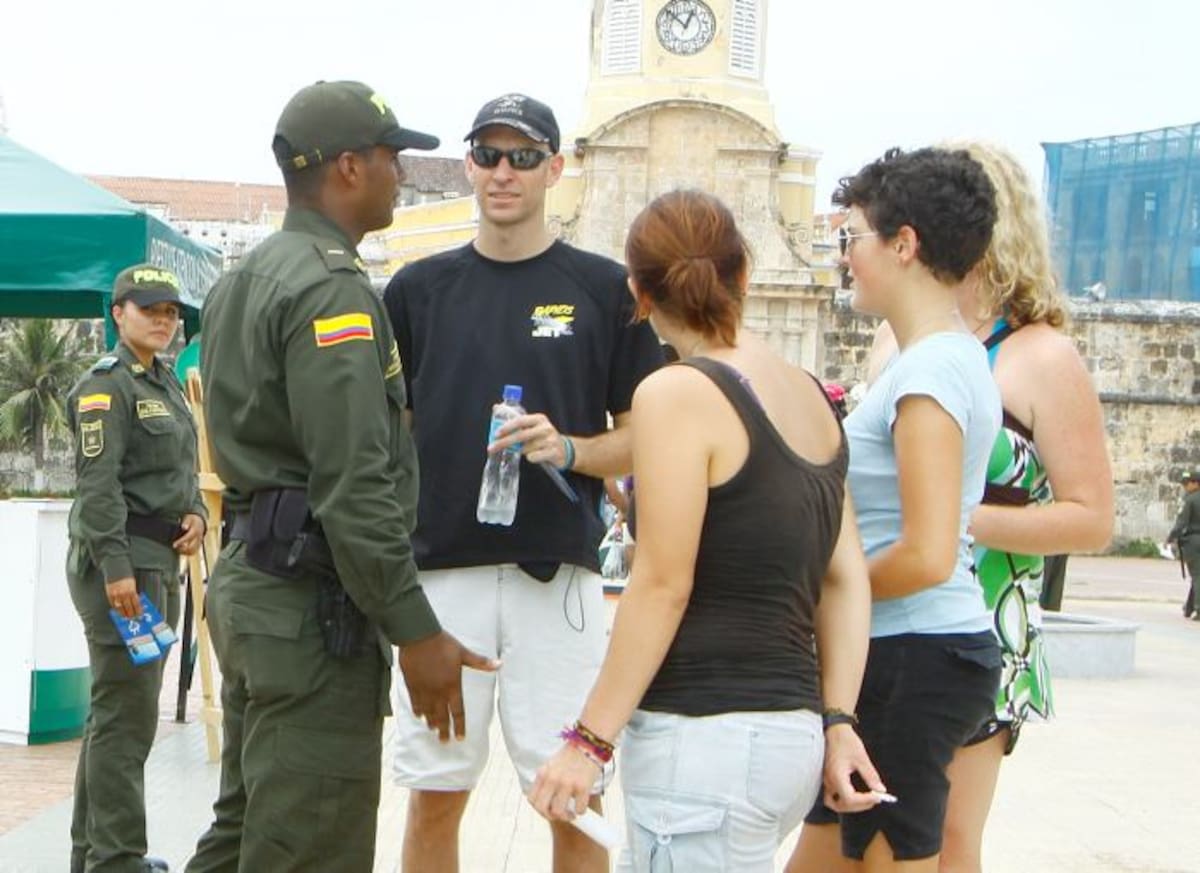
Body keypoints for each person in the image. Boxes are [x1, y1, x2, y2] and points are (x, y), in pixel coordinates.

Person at [527, 189, 882, 871]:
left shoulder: (674, 392)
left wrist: (590, 740)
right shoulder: (812, 395)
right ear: (743, 273)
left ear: (637, 293)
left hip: (705, 740)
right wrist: (840, 720)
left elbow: (662, 583)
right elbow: (844, 577)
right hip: (789, 733)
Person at [186, 81, 491, 873]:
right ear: (349, 167)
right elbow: (352, 483)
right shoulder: (331, 289)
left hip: (258, 586)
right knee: (308, 844)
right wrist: (415, 630)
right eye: (395, 157)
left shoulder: (240, 282)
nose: (403, 174)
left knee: (247, 831)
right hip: (308, 610)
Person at [382, 93, 663, 873]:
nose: (504, 172)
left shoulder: (605, 291)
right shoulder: (414, 290)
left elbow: (649, 433)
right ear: (469, 164)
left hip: (558, 579)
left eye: (524, 155)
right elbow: (386, 435)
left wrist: (569, 448)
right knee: (434, 794)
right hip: (443, 577)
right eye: (489, 154)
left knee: (573, 794)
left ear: (555, 168)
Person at [862, 141, 1115, 873]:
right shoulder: (894, 336)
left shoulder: (1041, 356)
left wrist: (954, 518)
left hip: (981, 622)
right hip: (887, 617)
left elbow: (1092, 517)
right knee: (875, 833)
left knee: (944, 840)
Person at [787, 147, 1004, 873]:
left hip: (913, 654)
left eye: (851, 238)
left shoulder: (932, 370)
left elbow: (928, 550)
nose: (844, 256)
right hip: (902, 652)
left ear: (904, 244)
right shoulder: (942, 358)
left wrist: (824, 601)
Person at [67, 264, 206, 873]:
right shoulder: (107, 387)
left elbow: (178, 465)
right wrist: (116, 569)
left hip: (154, 561)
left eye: (171, 311)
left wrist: (197, 511)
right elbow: (98, 489)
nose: (163, 319)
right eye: (149, 308)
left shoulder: (165, 382)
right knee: (127, 721)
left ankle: (92, 856)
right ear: (118, 313)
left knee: (115, 716)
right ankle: (117, 860)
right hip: (120, 566)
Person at [1169, 471, 1200, 620]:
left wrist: (1171, 537)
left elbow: (1181, 523)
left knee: (1197, 576)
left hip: (1194, 542)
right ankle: (1189, 606)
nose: (1185, 486)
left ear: (1195, 483)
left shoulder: (1190, 500)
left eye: (1187, 483)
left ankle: (1198, 608)